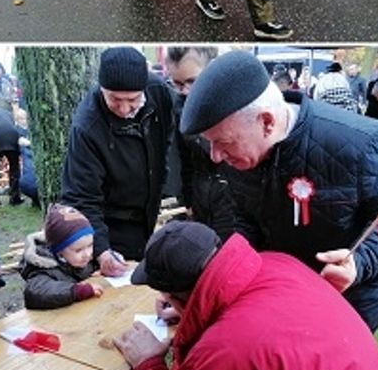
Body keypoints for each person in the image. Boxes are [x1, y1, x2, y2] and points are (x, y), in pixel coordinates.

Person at [180, 50, 378, 331]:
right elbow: (244, 216)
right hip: (282, 289)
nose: (215, 156)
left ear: (266, 122)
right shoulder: (234, 150)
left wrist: (358, 263)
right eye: (209, 143)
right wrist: (209, 287)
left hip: (346, 294)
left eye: (223, 143)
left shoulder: (365, 143)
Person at [114, 221, 378, 370]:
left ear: (177, 297)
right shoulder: (279, 263)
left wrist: (147, 366)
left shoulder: (226, 354)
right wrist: (194, 315)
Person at [60, 47, 175, 271]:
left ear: (144, 90)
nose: (123, 109)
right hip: (112, 221)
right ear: (102, 89)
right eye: (114, 99)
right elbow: (81, 196)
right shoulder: (87, 126)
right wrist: (102, 251)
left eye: (132, 99)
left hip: (149, 207)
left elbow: (176, 138)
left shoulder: (159, 92)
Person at [164, 47, 237, 240]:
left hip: (233, 195)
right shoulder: (179, 107)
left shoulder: (234, 101)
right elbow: (184, 160)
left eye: (192, 81)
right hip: (201, 196)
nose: (186, 92)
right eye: (178, 84)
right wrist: (187, 200)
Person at [19, 203, 104, 310]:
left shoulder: (80, 258)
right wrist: (76, 291)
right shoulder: (44, 267)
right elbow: (35, 292)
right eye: (79, 250)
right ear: (59, 252)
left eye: (90, 245)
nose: (87, 254)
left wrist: (99, 269)